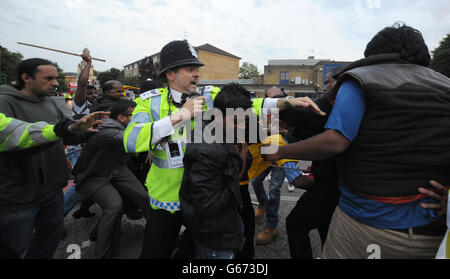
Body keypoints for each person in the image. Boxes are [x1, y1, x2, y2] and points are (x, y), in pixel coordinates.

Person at [263, 23, 450, 259]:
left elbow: (335, 141)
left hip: (368, 224)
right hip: (435, 233)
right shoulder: (445, 86)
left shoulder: (360, 80)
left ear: (374, 55)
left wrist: (281, 152)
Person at [124, 40, 325, 259]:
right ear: (170, 74)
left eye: (197, 69)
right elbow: (131, 141)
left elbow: (249, 103)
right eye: (190, 69)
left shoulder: (210, 95)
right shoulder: (148, 102)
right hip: (166, 200)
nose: (197, 74)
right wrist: (180, 115)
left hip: (205, 198)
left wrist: (287, 102)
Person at [0, 58, 109, 258]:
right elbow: (14, 135)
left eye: (56, 78)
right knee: (14, 249)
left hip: (52, 192)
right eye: (49, 78)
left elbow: (66, 134)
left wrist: (88, 130)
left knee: (48, 242)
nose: (56, 83)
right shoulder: (4, 102)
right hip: (18, 197)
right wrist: (64, 128)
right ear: (26, 78)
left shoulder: (51, 103)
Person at [180, 83, 254, 259]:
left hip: (227, 224)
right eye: (237, 120)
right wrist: (241, 155)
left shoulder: (224, 130)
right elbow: (208, 206)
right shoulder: (206, 150)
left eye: (246, 119)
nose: (243, 126)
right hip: (215, 236)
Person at [73, 99, 151, 258]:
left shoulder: (122, 125)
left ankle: (158, 236)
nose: (141, 119)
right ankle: (103, 254)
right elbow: (134, 140)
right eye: (136, 115)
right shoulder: (108, 130)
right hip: (94, 175)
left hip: (115, 169)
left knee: (144, 198)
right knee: (114, 206)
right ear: (122, 117)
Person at [283, 67, 343, 259]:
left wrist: (281, 153)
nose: (324, 87)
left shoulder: (335, 102)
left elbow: (326, 140)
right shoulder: (342, 104)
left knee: (295, 223)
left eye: (327, 82)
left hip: (332, 181)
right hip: (330, 179)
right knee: (326, 225)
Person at [64, 52, 98, 219]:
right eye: (89, 94)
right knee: (81, 184)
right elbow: (83, 84)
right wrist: (88, 64)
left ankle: (84, 208)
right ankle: (56, 217)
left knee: (95, 181)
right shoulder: (80, 105)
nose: (91, 96)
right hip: (77, 149)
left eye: (94, 94)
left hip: (89, 149)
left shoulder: (96, 107)